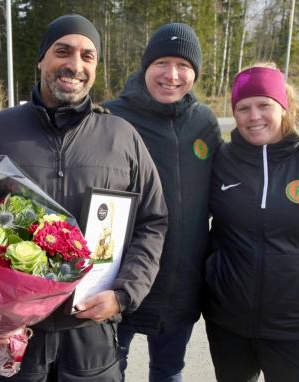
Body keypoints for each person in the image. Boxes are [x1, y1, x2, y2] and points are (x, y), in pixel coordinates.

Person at [0, 14, 167, 382]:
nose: (75, 64)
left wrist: (124, 294)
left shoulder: (122, 138)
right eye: (63, 51)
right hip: (14, 335)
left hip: (91, 332)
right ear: (41, 59)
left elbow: (153, 222)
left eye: (88, 56)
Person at [204, 63, 299, 382]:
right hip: (227, 325)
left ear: (284, 105)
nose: (253, 116)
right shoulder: (223, 160)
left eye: (264, 105)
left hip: (298, 330)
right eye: (243, 108)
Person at [104, 23, 222, 381]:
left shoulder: (204, 122)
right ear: (146, 66)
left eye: (183, 65)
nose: (172, 75)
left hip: (181, 283)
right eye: (162, 63)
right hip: (120, 279)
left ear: (195, 73)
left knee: (169, 371)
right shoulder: (112, 118)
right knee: (108, 370)